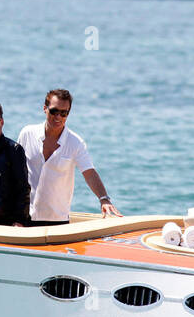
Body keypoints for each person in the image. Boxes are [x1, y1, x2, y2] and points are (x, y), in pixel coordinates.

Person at [16, 89, 121, 225]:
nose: (58, 117)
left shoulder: (75, 143)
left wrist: (104, 199)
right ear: (45, 109)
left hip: (57, 221)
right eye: (54, 111)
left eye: (64, 113)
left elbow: (89, 172)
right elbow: (14, 171)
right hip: (24, 216)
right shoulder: (27, 133)